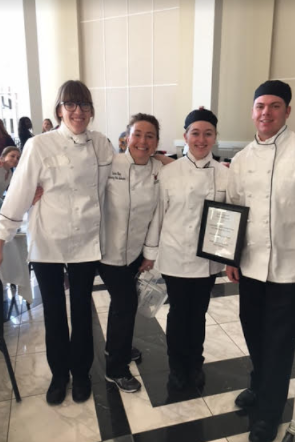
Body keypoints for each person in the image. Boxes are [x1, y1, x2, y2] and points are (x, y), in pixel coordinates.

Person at [0, 80, 114, 406]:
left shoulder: (102, 144)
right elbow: (20, 192)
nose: (78, 111)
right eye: (71, 105)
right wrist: (2, 235)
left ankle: (81, 374)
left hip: (86, 241)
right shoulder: (39, 145)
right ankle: (59, 375)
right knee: (53, 312)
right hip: (47, 240)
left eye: (84, 106)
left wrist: (159, 161)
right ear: (60, 109)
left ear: (91, 111)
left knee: (81, 311)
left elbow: (118, 176)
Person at [226, 80, 295, 442]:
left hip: (289, 267)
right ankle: (259, 385)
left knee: (280, 343)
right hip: (250, 264)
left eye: (275, 106)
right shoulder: (241, 158)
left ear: (287, 111)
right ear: (253, 111)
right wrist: (230, 256)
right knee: (252, 330)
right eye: (260, 106)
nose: (266, 112)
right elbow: (233, 210)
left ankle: (268, 413)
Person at [153, 108, 229, 390]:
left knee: (198, 314)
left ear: (215, 138)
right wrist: (151, 254)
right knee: (177, 314)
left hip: (207, 260)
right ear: (185, 136)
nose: (201, 139)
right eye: (195, 133)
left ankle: (195, 363)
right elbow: (158, 216)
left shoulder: (224, 174)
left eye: (207, 133)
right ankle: (176, 366)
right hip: (174, 255)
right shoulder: (169, 172)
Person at [98, 113, 163, 393]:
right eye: (138, 134)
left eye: (150, 136)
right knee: (124, 304)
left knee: (125, 304)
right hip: (107, 253)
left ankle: (118, 346)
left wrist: (149, 253)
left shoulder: (159, 170)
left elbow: (157, 216)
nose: (142, 141)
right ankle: (116, 368)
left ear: (156, 142)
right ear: (127, 137)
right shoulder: (109, 164)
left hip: (136, 252)